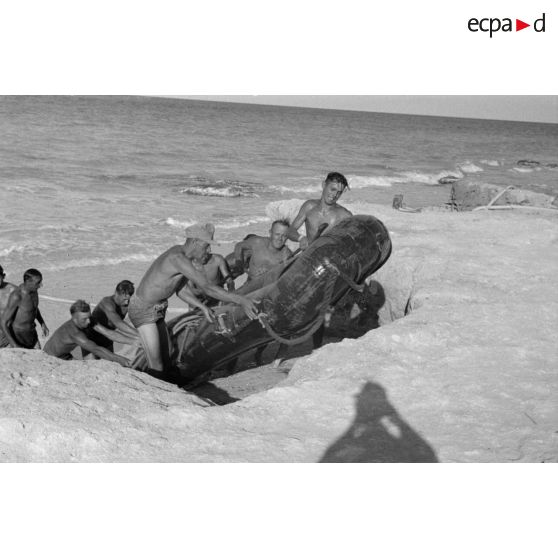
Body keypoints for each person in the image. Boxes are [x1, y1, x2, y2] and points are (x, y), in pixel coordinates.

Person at [128, 223, 259, 376]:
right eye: (206, 245)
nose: (208, 250)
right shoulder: (177, 258)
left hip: (158, 309)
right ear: (195, 242)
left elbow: (180, 290)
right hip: (143, 309)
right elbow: (207, 287)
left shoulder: (185, 258)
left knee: (167, 355)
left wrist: (202, 307)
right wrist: (241, 300)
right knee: (156, 363)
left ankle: (169, 383)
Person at [43, 299, 131, 366]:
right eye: (84, 319)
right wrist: (123, 360)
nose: (89, 321)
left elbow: (108, 333)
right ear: (74, 318)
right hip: (51, 358)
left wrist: (135, 340)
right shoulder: (74, 333)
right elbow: (97, 349)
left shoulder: (87, 321)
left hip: (65, 355)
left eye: (89, 317)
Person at [288, 171, 352, 250]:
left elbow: (351, 242)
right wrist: (301, 238)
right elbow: (290, 231)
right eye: (333, 189)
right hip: (309, 255)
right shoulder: (309, 207)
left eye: (339, 192)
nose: (335, 195)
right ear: (324, 185)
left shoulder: (345, 215)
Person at [233, 220, 293, 285]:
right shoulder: (257, 242)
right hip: (249, 285)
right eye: (277, 234)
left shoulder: (287, 255)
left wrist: (269, 273)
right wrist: (238, 260)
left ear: (288, 237)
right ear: (270, 233)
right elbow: (239, 246)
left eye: (284, 236)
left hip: (268, 290)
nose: (280, 238)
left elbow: (287, 280)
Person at [0, 268, 48, 349]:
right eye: (38, 283)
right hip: (14, 336)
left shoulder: (31, 291)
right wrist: (14, 345)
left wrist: (42, 323)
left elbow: (33, 308)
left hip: (27, 335)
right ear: (28, 282)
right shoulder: (17, 295)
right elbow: (4, 322)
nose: (41, 285)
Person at [89, 279, 139, 353]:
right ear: (116, 293)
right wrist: (140, 334)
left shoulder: (128, 302)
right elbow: (118, 323)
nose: (127, 302)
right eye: (125, 299)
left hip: (107, 338)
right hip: (91, 338)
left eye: (129, 299)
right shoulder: (107, 303)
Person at [0, 265, 17, 348]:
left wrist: (42, 323)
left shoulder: (13, 291)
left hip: (9, 337)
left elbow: (29, 309)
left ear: (3, 276)